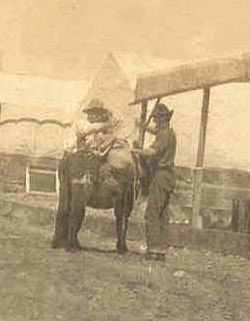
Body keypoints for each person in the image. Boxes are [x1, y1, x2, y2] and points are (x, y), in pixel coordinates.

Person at [51, 98, 119, 248]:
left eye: (97, 113)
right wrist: (106, 125)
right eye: (93, 113)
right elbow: (85, 132)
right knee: (68, 202)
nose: (94, 115)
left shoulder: (98, 132)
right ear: (89, 113)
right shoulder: (82, 123)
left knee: (76, 203)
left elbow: (99, 151)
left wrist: (110, 139)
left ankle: (68, 239)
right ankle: (62, 239)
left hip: (81, 163)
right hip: (72, 162)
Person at [132, 103, 176, 261]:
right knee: (162, 214)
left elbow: (151, 152)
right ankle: (161, 250)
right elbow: (155, 131)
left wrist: (134, 150)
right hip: (169, 177)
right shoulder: (169, 132)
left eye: (157, 119)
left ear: (162, 119)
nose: (155, 121)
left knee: (152, 213)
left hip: (160, 176)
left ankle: (153, 250)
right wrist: (143, 126)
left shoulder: (164, 135)